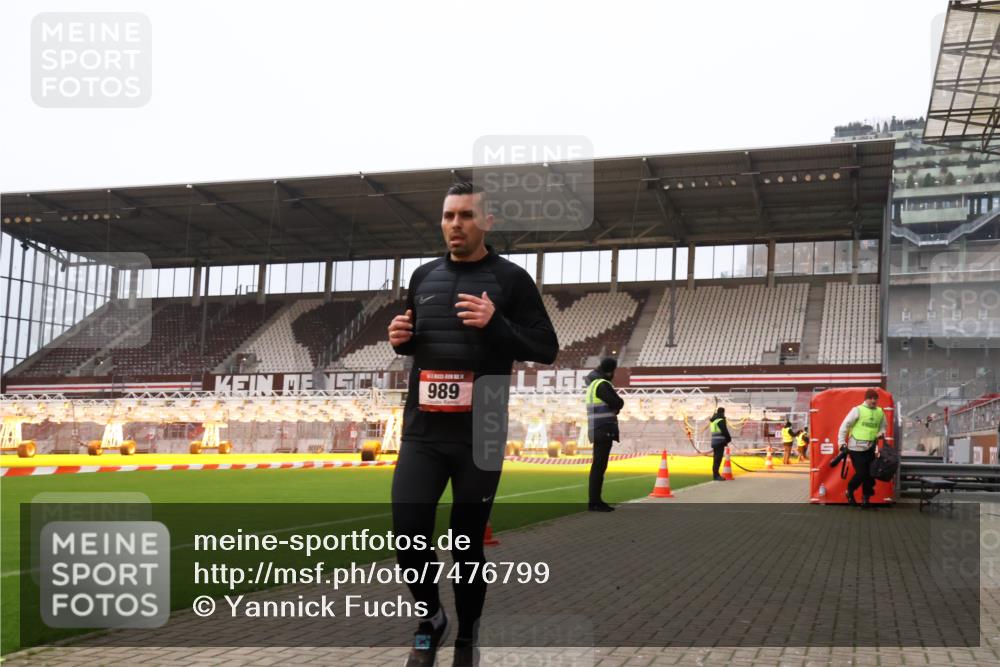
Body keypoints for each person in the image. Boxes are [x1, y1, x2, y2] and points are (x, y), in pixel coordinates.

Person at [387, 181, 558, 666]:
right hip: (423, 430)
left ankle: (467, 639)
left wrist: (497, 322)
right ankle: (429, 621)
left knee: (466, 542)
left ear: (487, 222)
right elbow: (419, 338)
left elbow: (546, 348)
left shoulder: (512, 280)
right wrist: (401, 339)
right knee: (408, 528)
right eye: (447, 216)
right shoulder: (422, 277)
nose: (454, 224)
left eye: (464, 215)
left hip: (479, 433)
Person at [584, 357, 625, 511]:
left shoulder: (592, 385)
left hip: (596, 428)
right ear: (610, 371)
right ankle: (595, 502)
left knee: (597, 466)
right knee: (599, 467)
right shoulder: (602, 384)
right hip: (604, 428)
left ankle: (594, 501)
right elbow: (618, 402)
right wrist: (617, 407)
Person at [837, 388, 887, 508]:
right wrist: (841, 443)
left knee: (870, 474)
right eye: (871, 398)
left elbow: (883, 426)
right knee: (862, 473)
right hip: (856, 447)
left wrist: (881, 432)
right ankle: (849, 490)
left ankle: (866, 500)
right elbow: (845, 426)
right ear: (866, 399)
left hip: (871, 447)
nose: (873, 401)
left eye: (875, 398)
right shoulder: (857, 410)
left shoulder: (880, 412)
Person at [709, 407, 732, 480]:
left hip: (714, 441)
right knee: (718, 459)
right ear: (723, 412)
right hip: (720, 442)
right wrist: (728, 438)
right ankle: (716, 475)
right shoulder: (720, 420)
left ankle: (715, 474)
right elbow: (724, 431)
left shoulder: (714, 421)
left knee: (716, 459)